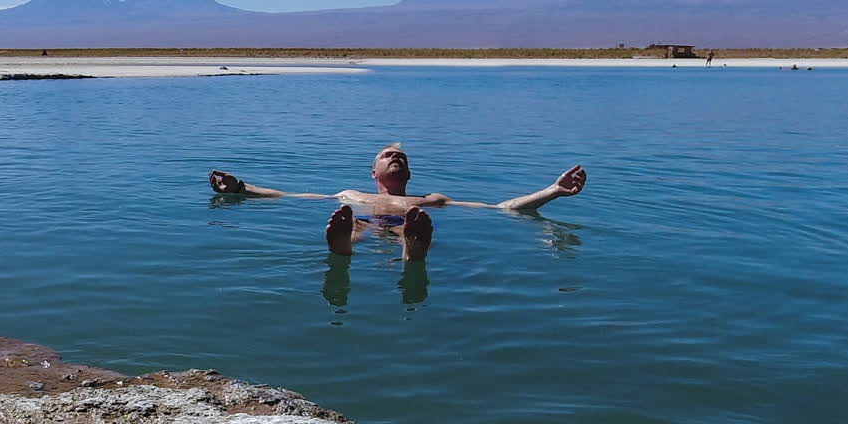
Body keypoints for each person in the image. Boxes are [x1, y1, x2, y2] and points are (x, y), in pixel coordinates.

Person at [208, 144, 586, 262]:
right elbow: (287, 196)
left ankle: (411, 251)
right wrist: (241, 187)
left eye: (401, 156)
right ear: (373, 171)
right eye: (387, 154)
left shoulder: (431, 199)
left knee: (412, 223)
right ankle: (343, 248)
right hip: (363, 220)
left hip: (410, 221)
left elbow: (502, 208)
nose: (396, 156)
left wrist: (552, 190)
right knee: (354, 223)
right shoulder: (351, 195)